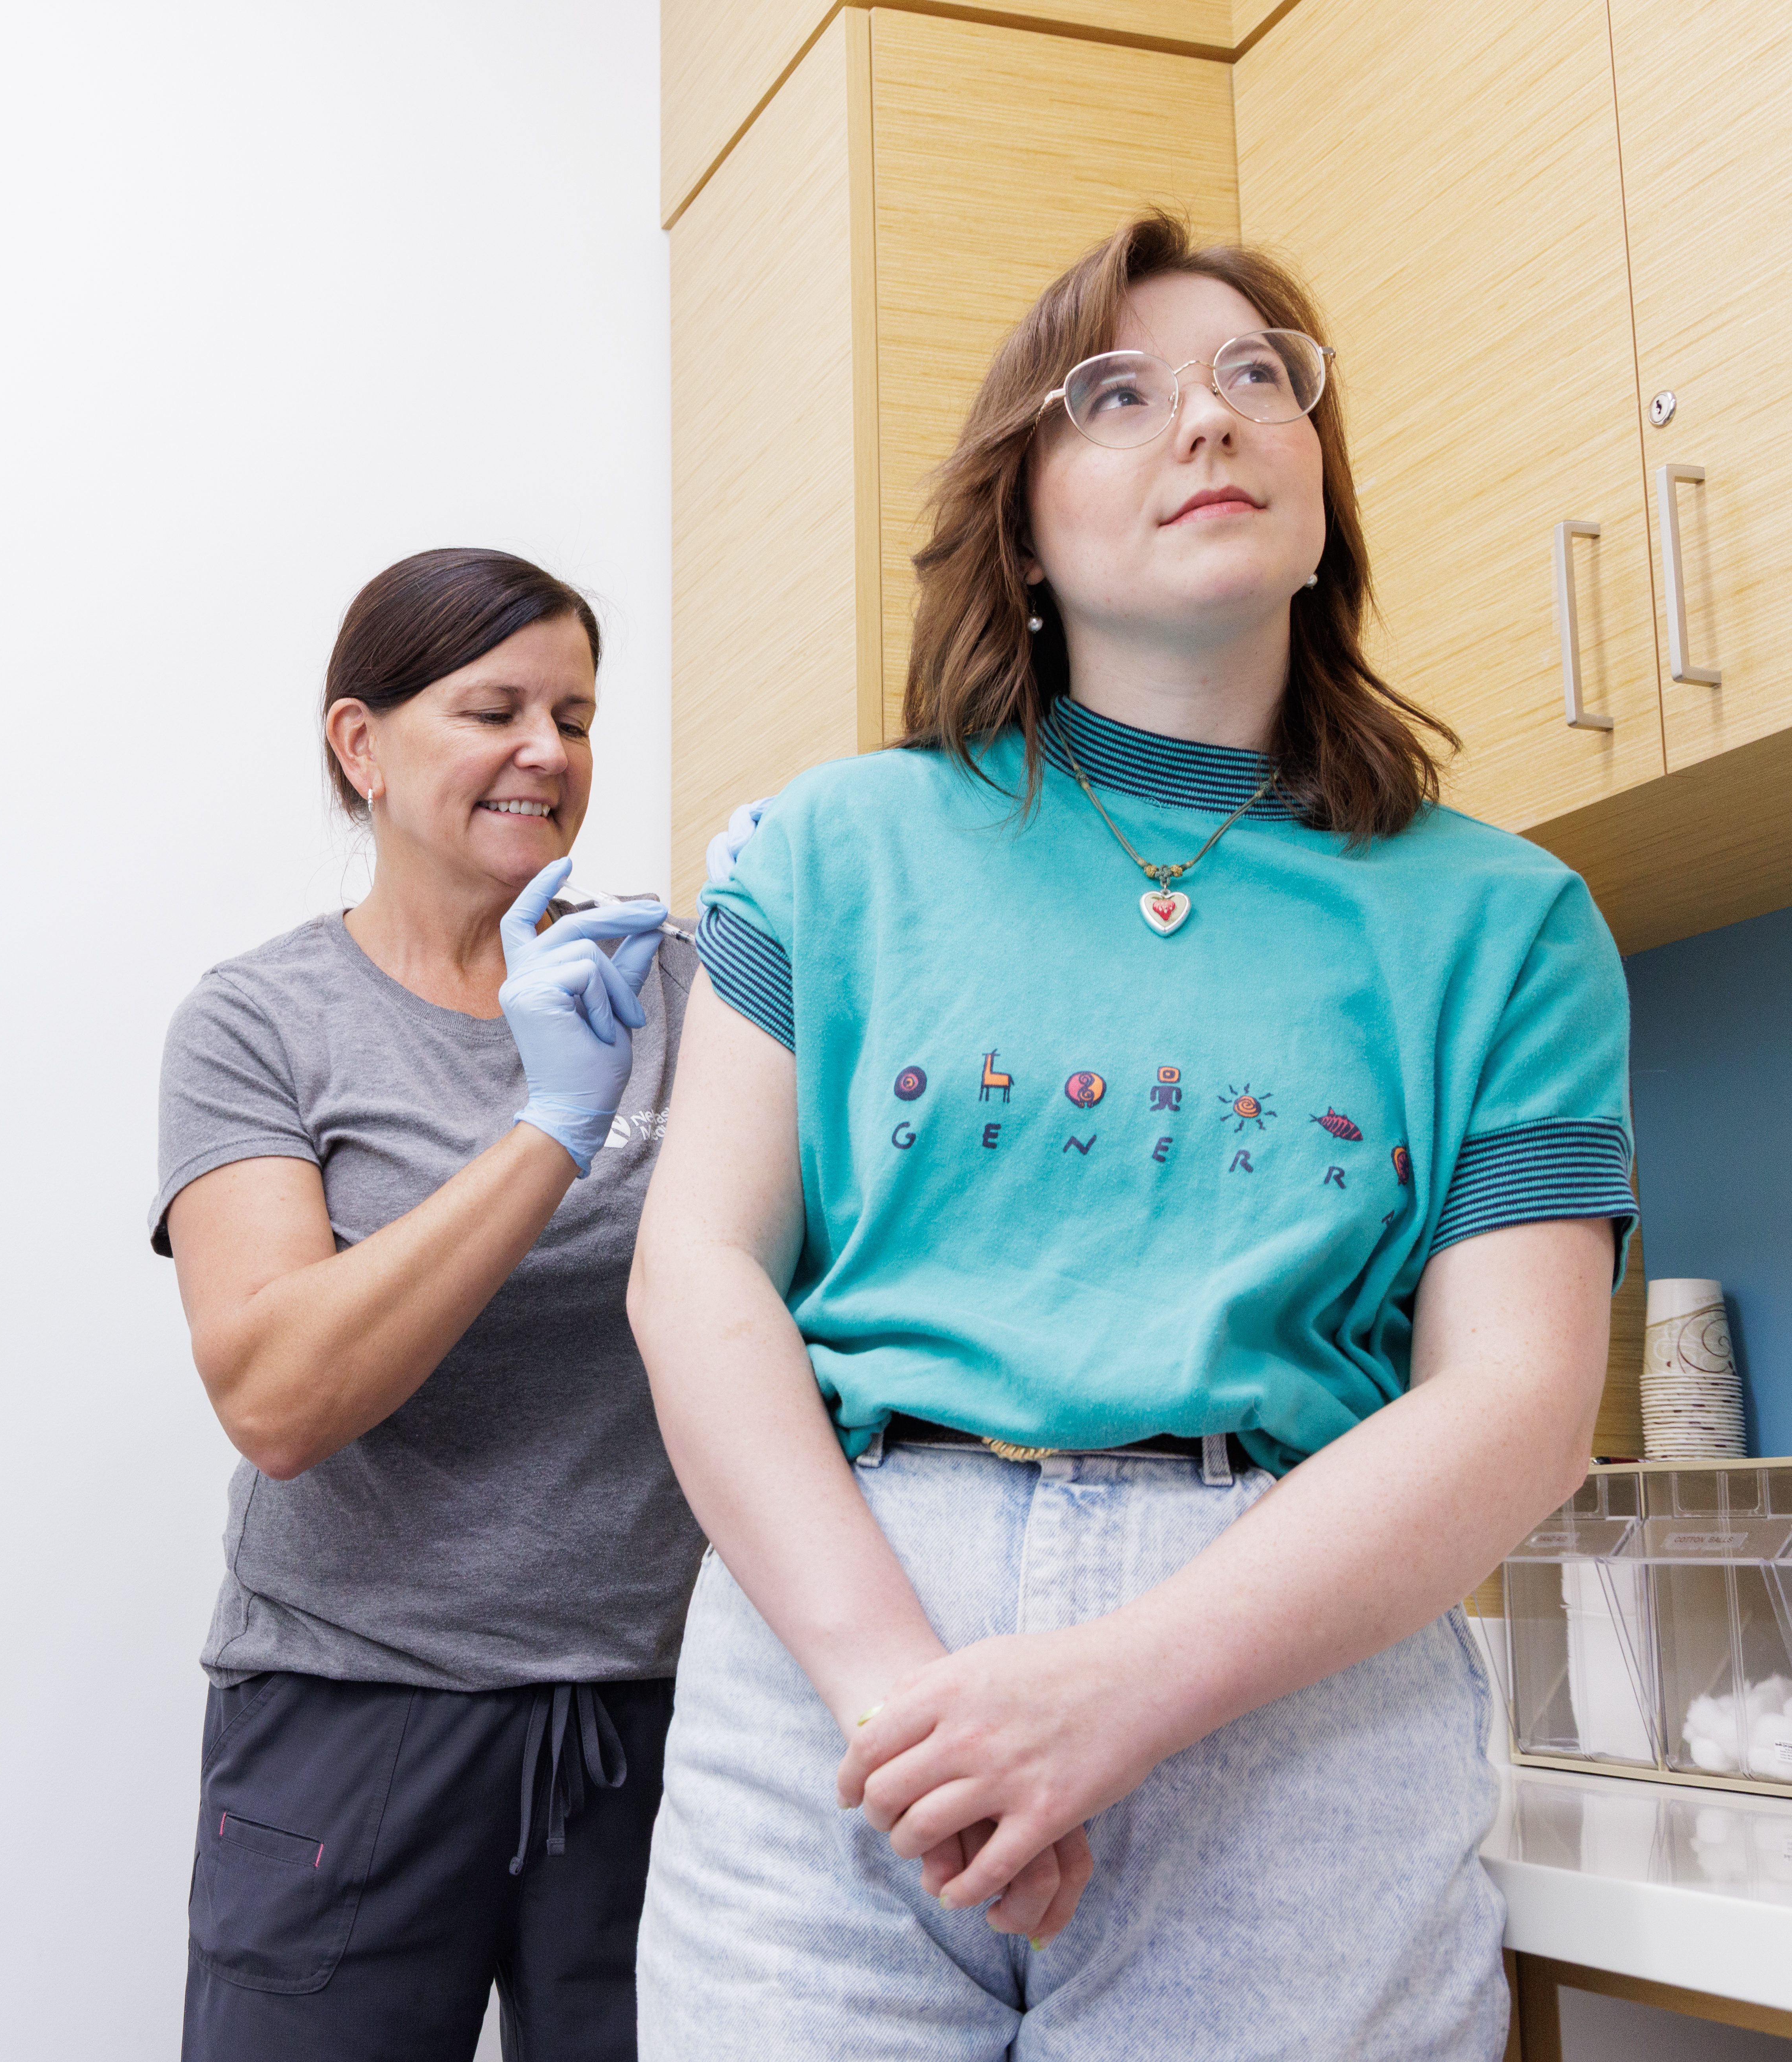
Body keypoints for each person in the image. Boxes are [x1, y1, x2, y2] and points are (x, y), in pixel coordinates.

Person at [628, 215, 1635, 2058]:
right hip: (840, 1684)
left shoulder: (1506, 923)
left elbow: (1517, 1403)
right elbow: (694, 1273)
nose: (1209, 420)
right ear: (1016, 519)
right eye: (1119, 392)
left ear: (1320, 489)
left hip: (1285, 1687)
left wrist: (1114, 1689)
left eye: (1260, 376)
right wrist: (895, 1704)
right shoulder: (826, 852)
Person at [154, 548, 763, 2060]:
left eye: (576, 713)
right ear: (361, 745)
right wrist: (548, 1132)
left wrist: (811, 946)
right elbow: (279, 1397)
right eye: (492, 708)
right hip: (354, 1720)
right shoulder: (261, 1023)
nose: (546, 753)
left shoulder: (686, 997)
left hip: (661, 1718)